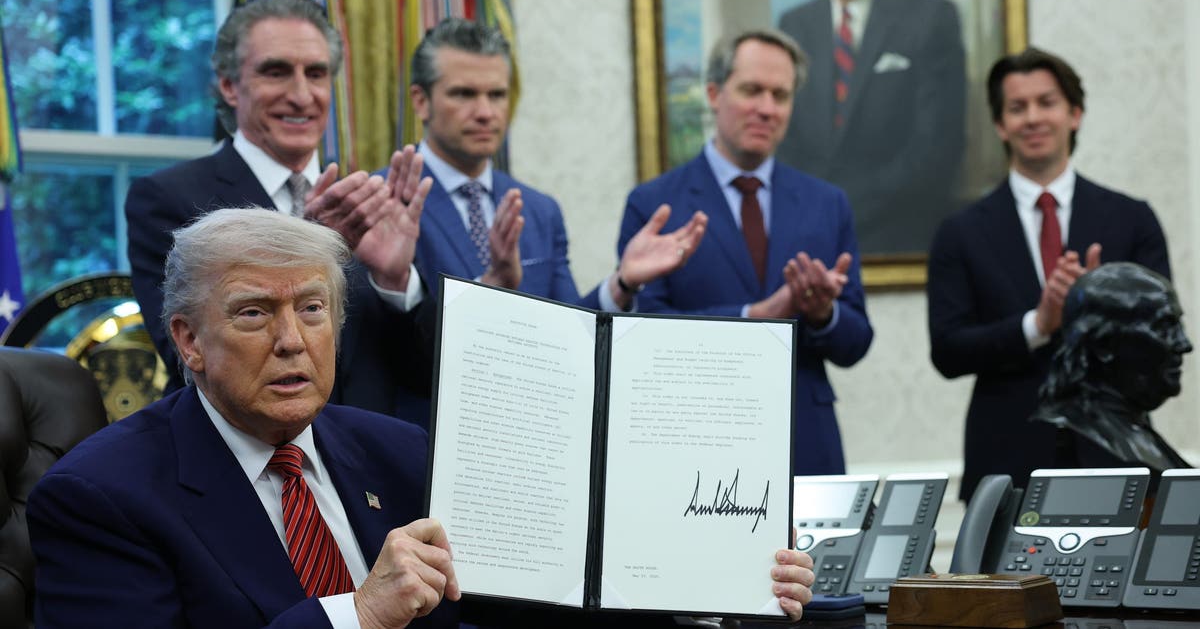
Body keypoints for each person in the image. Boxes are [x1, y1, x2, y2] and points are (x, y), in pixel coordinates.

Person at [27, 208, 816, 627]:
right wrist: (359, 614)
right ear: (188, 340)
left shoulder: (404, 454)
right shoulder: (102, 497)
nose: (293, 340)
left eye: (312, 308)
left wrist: (708, 586)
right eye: (253, 313)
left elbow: (538, 608)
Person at [126, 0, 434, 420]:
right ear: (230, 86)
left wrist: (396, 280)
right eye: (276, 72)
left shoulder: (367, 204)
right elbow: (187, 361)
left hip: (361, 465)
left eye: (316, 73)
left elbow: (422, 379)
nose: (301, 95)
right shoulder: (169, 198)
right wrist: (302, 248)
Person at [616, 28, 874, 476]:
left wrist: (821, 314)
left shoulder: (826, 203)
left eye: (780, 95)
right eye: (752, 90)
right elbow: (642, 338)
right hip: (697, 446)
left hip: (806, 444)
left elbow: (856, 342)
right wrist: (755, 315)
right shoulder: (656, 204)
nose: (766, 108)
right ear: (715, 93)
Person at [927, 47, 1171, 502]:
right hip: (1005, 466)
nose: (1033, 118)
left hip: (1116, 459)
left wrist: (1098, 312)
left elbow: (1161, 342)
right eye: (1017, 108)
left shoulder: (1131, 219)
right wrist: (1037, 325)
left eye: (1047, 102)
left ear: (1074, 114)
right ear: (1001, 125)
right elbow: (948, 350)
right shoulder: (959, 232)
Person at [406, 17, 707, 310]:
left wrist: (622, 283)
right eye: (464, 94)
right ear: (421, 101)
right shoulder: (383, 205)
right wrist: (491, 283)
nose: (485, 112)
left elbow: (568, 332)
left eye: (497, 95)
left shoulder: (539, 211)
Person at [777, 0, 965, 254]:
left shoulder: (930, 16)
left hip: (901, 235)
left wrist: (848, 205)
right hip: (812, 234)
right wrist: (817, 206)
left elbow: (938, 143)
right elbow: (784, 135)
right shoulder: (794, 25)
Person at [1036, 262, 1191, 471]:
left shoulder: (1134, 430)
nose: (1184, 344)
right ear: (1104, 345)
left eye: (1179, 326)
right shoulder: (1078, 438)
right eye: (1164, 327)